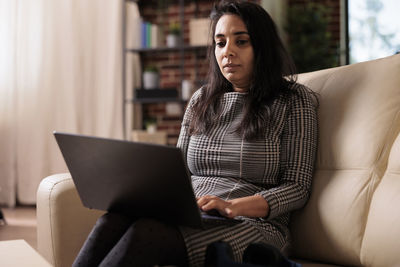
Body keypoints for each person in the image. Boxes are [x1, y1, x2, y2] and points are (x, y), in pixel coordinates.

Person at [72, 1, 318, 266]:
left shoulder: (294, 101)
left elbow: (297, 188)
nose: (228, 52)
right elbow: (176, 172)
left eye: (241, 41)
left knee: (147, 234)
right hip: (191, 213)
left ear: (263, 46)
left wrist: (232, 206)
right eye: (220, 43)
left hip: (253, 224)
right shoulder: (202, 99)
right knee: (113, 219)